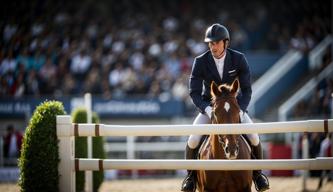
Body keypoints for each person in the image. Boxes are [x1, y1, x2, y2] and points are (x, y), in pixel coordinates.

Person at [181, 23, 270, 192]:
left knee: (254, 137)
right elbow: (194, 92)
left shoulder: (238, 59)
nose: (212, 46)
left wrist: (241, 110)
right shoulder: (200, 61)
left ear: (225, 43)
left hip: (235, 108)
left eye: (216, 42)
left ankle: (258, 175)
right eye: (210, 43)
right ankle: (191, 177)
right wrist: (207, 109)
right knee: (193, 139)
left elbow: (247, 90)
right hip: (210, 108)